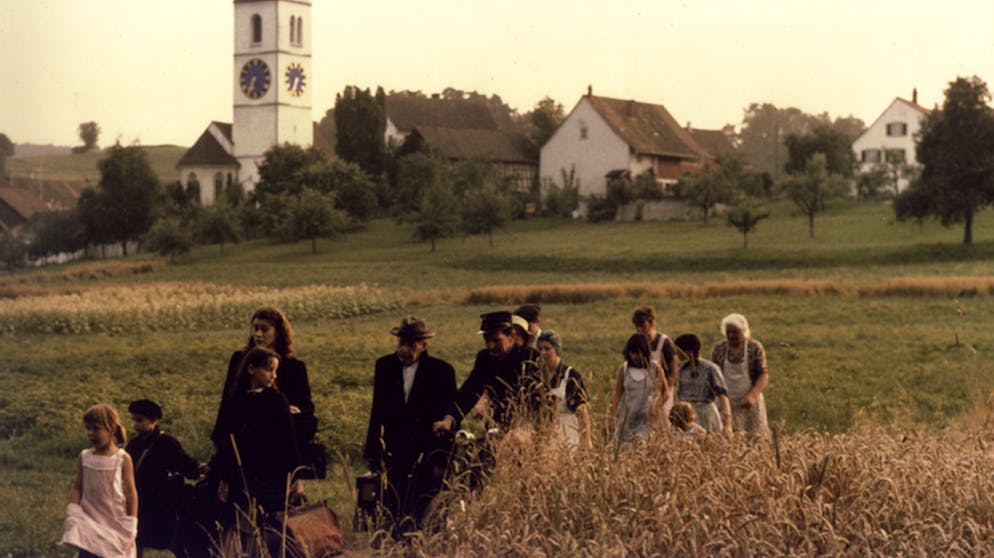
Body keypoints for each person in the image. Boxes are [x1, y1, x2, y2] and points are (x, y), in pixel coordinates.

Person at [363, 316, 456, 533]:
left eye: (411, 344)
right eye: (402, 342)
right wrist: (372, 450)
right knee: (391, 507)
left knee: (422, 509)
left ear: (424, 345)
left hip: (425, 449)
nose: (405, 348)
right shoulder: (384, 366)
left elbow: (449, 414)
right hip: (393, 448)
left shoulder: (442, 371)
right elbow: (377, 410)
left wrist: (443, 456)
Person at [213, 307, 318, 473]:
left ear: (278, 332)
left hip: (276, 432)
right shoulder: (240, 359)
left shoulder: (294, 366)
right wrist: (218, 441)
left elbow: (306, 405)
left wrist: (291, 409)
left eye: (264, 329)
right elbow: (227, 400)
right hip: (243, 428)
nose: (258, 334)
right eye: (255, 328)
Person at [212, 347, 302, 517]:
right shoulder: (236, 400)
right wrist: (224, 478)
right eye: (269, 370)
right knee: (239, 516)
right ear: (252, 369)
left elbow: (289, 440)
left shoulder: (277, 400)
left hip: (271, 472)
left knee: (270, 517)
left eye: (275, 371)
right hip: (241, 473)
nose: (274, 376)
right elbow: (227, 441)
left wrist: (296, 476)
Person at [433, 311, 545, 435]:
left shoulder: (531, 357)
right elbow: (469, 390)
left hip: (529, 429)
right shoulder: (485, 358)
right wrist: (449, 419)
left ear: (512, 336)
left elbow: (539, 401)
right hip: (496, 427)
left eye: (496, 340)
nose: (490, 346)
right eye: (486, 340)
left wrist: (525, 428)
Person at [123, 399, 201, 558]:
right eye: (133, 420)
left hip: (162, 501)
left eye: (140, 420)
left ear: (154, 420)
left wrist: (198, 468)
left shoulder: (167, 443)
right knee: (136, 539)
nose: (135, 425)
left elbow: (185, 465)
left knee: (170, 539)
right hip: (140, 499)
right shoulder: (134, 444)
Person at [62, 403, 139, 558]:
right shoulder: (85, 456)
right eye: (88, 428)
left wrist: (131, 522)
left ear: (112, 428)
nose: (90, 433)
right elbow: (78, 487)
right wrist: (73, 512)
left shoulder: (122, 458)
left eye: (96, 428)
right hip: (89, 523)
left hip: (114, 524)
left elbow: (131, 492)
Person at [711, 313, 770, 437]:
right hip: (726, 404)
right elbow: (714, 376)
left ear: (744, 331)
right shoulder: (719, 348)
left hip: (750, 404)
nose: (731, 335)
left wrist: (752, 396)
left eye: (735, 332)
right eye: (728, 332)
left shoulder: (754, 348)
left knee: (755, 437)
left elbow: (763, 375)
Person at [536, 330, 592, 451]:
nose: (543, 353)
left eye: (547, 349)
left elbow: (582, 410)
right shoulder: (539, 375)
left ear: (556, 349)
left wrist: (587, 440)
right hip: (545, 434)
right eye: (540, 349)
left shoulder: (570, 375)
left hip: (568, 432)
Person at [608, 333, 669, 443]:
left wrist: (656, 407)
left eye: (639, 353)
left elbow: (665, 393)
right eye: (632, 353)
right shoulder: (624, 369)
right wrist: (609, 416)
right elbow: (617, 395)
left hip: (647, 419)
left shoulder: (654, 368)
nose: (635, 357)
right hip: (626, 419)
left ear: (645, 352)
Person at [674, 333, 732, 434]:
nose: (676, 353)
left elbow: (723, 396)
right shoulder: (682, 370)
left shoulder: (710, 368)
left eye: (679, 350)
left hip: (706, 413)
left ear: (688, 351)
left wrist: (727, 423)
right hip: (688, 416)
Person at [632, 306, 679, 423]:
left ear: (651, 323)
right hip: (642, 393)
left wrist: (662, 396)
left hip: (662, 393)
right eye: (637, 326)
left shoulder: (663, 342)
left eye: (642, 325)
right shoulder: (636, 342)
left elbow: (673, 372)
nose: (639, 329)